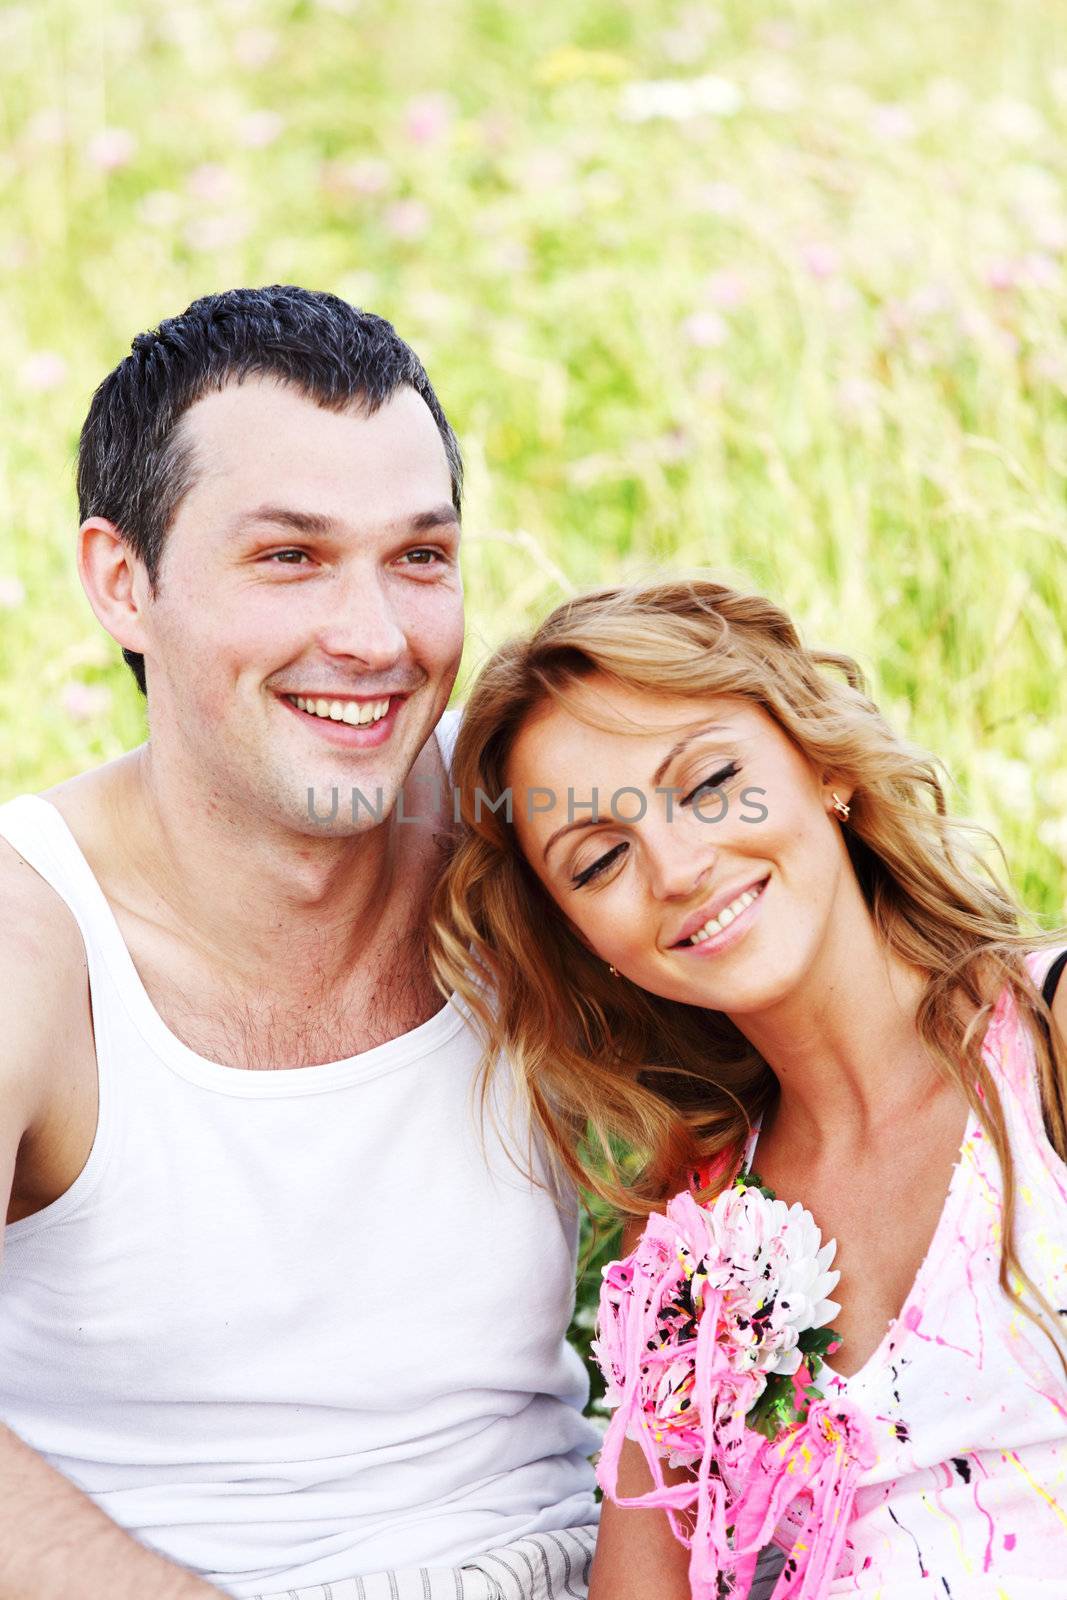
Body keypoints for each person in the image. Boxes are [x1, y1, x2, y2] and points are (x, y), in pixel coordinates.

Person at [0, 286, 600, 1600]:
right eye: (289, 558)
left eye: (419, 557)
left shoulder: (526, 817)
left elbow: (850, 935)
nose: (375, 639)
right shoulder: (31, 933)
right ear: (122, 581)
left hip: (571, 1561)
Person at [430, 575, 1067, 1598]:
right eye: (598, 860)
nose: (677, 866)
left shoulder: (1047, 1045)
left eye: (709, 781)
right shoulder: (688, 1236)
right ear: (588, 944)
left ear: (822, 767)